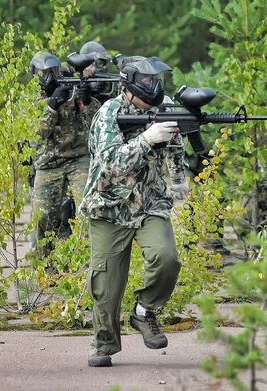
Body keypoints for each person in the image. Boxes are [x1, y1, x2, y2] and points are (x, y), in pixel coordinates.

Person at [79, 56, 190, 367]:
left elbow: (176, 144)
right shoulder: (108, 114)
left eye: (157, 82)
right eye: (147, 83)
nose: (154, 88)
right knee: (106, 285)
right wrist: (145, 140)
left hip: (150, 202)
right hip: (109, 206)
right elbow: (112, 163)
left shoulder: (164, 108)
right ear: (129, 86)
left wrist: (179, 177)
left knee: (166, 258)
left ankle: (144, 311)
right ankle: (103, 344)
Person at [28, 50, 101, 261]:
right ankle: (46, 269)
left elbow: (96, 121)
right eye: (44, 72)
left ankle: (87, 266)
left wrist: (86, 100)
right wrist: (52, 106)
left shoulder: (71, 87)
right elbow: (37, 134)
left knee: (88, 208)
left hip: (78, 158)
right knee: (44, 217)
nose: (49, 76)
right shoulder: (30, 100)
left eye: (52, 71)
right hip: (48, 162)